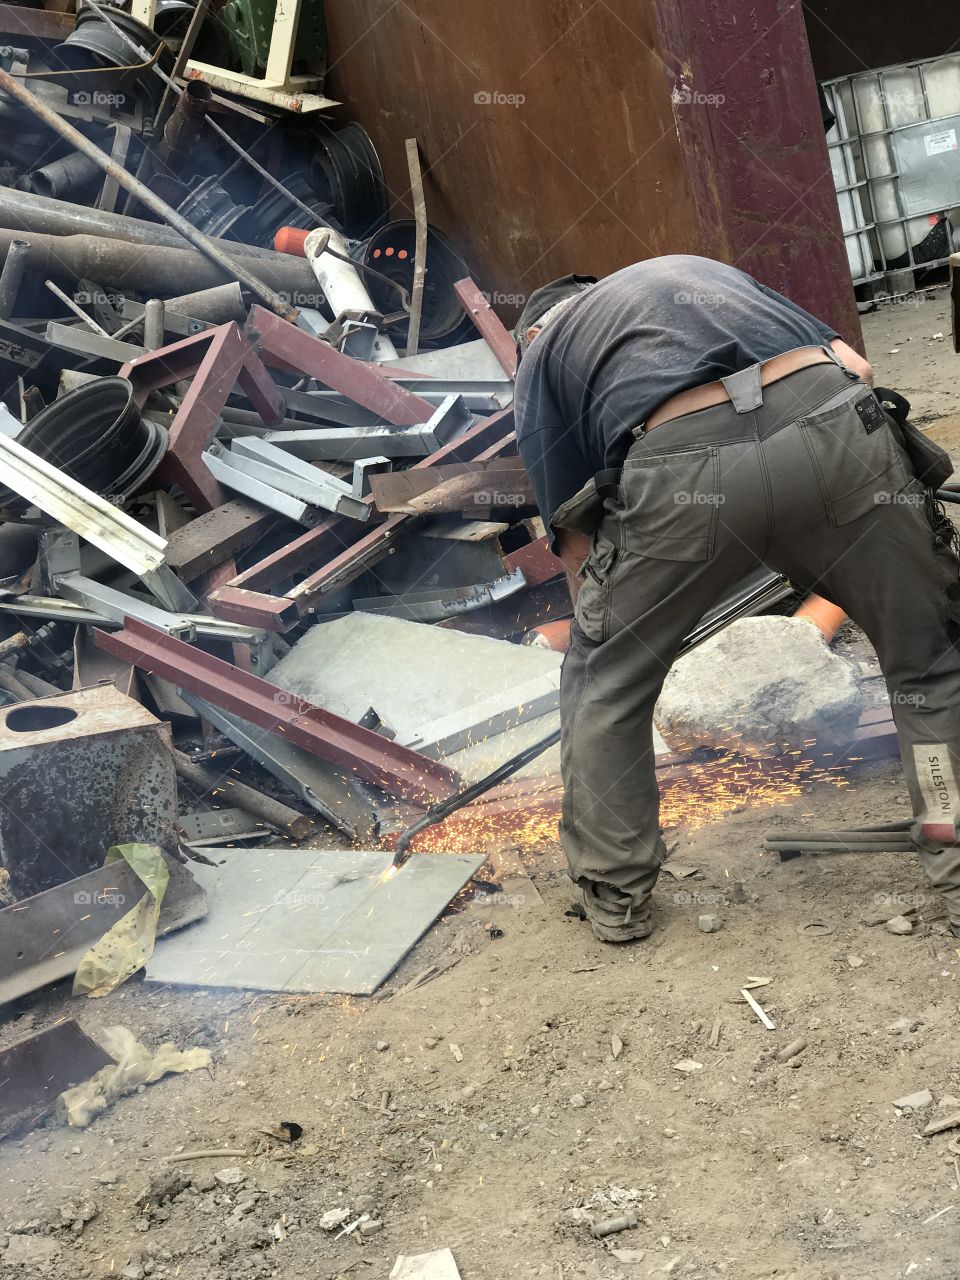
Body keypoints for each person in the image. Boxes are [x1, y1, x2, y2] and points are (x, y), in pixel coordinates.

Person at [513, 254, 960, 943]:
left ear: (535, 330)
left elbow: (574, 542)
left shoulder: (545, 356)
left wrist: (614, 638)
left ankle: (618, 900)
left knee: (605, 687)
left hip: (682, 467)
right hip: (837, 427)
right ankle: (954, 857)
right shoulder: (707, 278)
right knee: (928, 660)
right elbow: (859, 369)